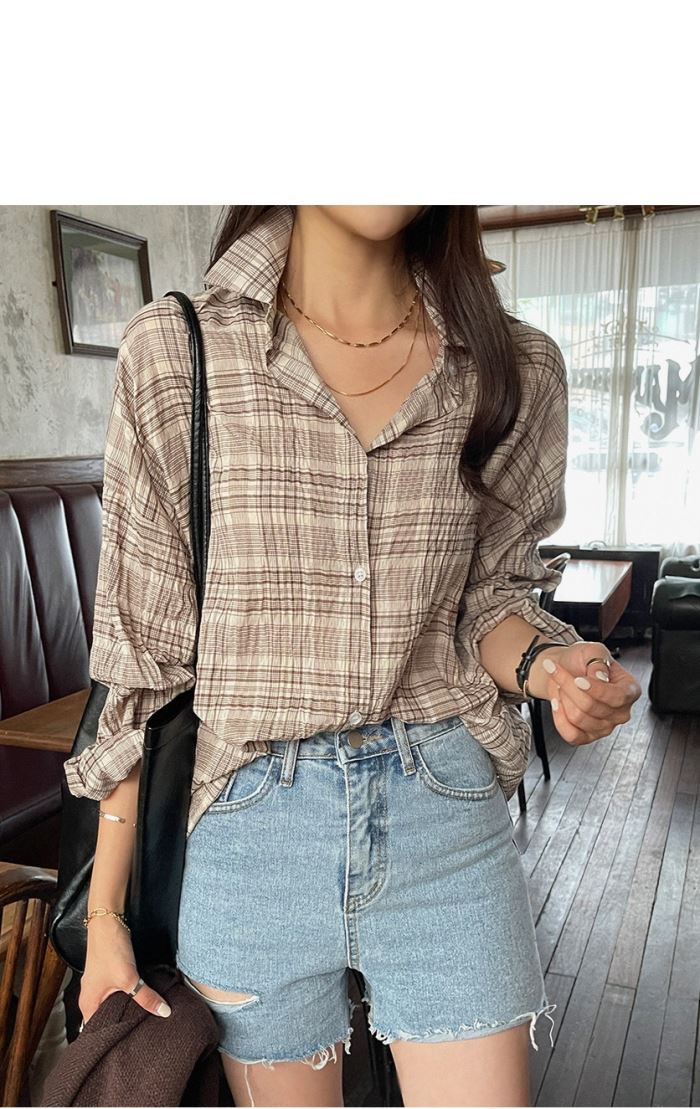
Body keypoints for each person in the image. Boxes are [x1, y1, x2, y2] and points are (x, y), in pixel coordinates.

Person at [63, 205, 641, 1108]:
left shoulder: (514, 367)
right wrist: (105, 918)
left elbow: (489, 600)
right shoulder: (178, 352)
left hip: (445, 813)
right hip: (250, 826)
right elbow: (144, 663)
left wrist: (550, 665)